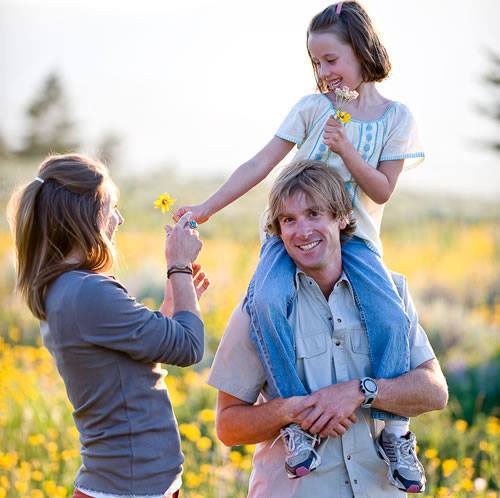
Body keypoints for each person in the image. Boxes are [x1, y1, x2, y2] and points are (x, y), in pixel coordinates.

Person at [176, 1, 427, 491]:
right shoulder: (313, 108)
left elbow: (382, 190)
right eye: (315, 63)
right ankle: (297, 425)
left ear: (362, 50)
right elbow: (260, 164)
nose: (323, 72)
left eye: (331, 60)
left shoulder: (397, 117)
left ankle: (396, 430)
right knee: (267, 300)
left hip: (352, 237)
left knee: (389, 313)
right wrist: (206, 208)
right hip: (288, 234)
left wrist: (346, 149)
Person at [208, 160, 448, 498]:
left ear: (342, 217)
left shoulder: (389, 297)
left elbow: (435, 392)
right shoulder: (260, 310)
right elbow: (228, 426)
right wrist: (295, 410)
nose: (302, 231)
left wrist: (361, 390)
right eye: (288, 220)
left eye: (314, 214)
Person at [7, 153, 209, 498]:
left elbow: (128, 365)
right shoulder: (87, 291)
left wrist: (170, 307)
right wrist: (179, 266)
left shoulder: (72, 288)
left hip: (137, 485)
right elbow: (190, 347)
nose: (119, 218)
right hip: (127, 488)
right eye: (111, 207)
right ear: (86, 216)